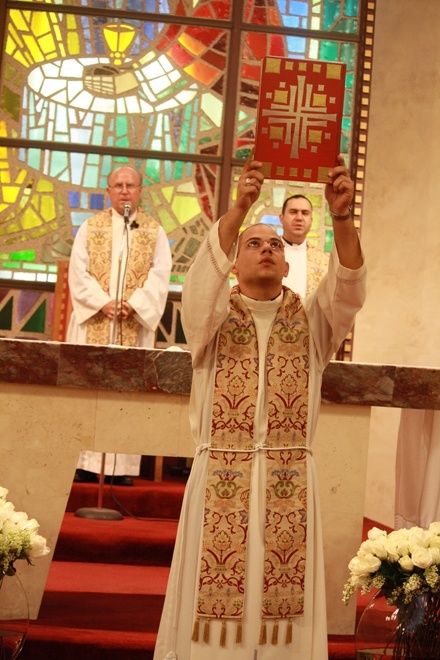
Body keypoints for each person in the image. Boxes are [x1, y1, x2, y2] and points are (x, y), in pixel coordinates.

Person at [154, 155, 366, 660]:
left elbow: (349, 290)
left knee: (283, 613)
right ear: (235, 259)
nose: (266, 249)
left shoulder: (311, 322)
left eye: (275, 244)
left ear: (289, 263)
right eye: (254, 243)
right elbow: (200, 281)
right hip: (220, 476)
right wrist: (241, 205)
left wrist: (341, 218)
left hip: (289, 478)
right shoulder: (211, 318)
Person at [67, 166, 172, 485]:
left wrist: (135, 304)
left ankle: (121, 469)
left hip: (133, 324)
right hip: (93, 323)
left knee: (127, 396)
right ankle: (84, 463)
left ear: (141, 191)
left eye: (130, 185)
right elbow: (78, 272)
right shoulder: (90, 227)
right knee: (90, 392)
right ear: (108, 191)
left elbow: (161, 275)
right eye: (118, 185)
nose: (124, 190)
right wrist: (103, 302)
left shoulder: (154, 231)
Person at [279, 194, 329, 297]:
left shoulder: (324, 260)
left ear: (311, 220)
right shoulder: (267, 251)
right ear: (281, 218)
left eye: (305, 213)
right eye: (293, 212)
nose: (299, 218)